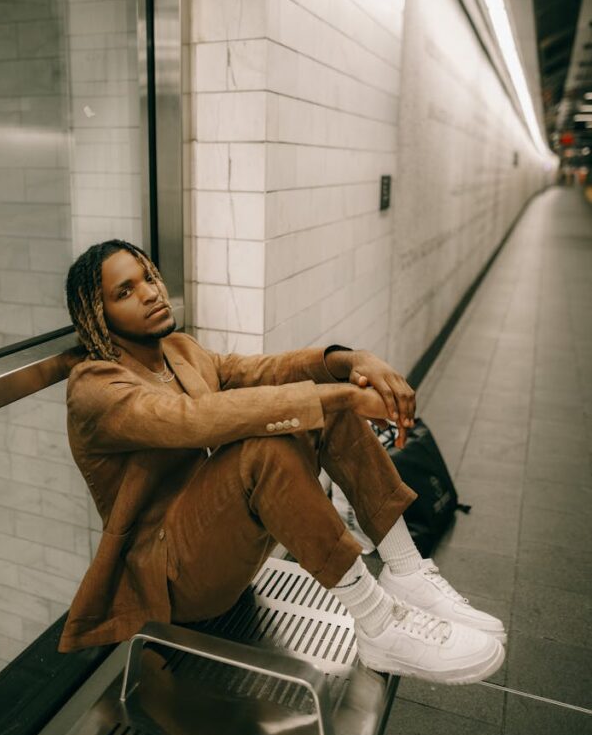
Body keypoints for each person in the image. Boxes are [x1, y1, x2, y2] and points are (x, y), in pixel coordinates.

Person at [58, 239, 506, 684]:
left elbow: (263, 371)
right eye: (125, 291)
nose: (151, 292)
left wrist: (351, 362)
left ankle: (406, 569)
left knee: (321, 409)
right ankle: (377, 622)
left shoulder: (180, 350)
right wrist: (344, 394)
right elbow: (194, 420)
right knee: (270, 445)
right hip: (172, 582)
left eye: (149, 277)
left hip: (220, 550)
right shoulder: (95, 388)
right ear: (99, 317)